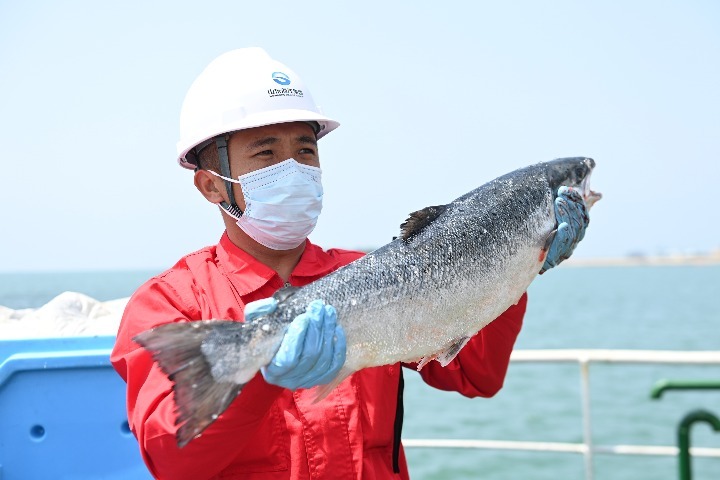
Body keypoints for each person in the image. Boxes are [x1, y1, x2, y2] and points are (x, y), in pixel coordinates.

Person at [111, 48, 589, 480]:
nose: (293, 168)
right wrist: (259, 375)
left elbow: (475, 376)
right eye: (266, 154)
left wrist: (522, 260)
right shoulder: (170, 300)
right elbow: (170, 457)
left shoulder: (378, 274)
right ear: (212, 186)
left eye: (305, 151)